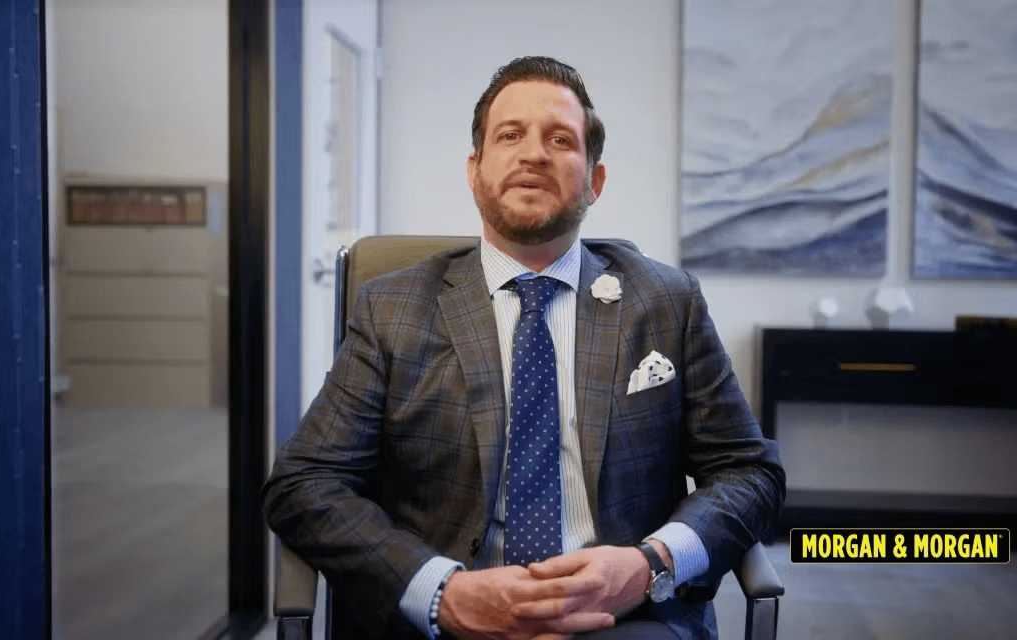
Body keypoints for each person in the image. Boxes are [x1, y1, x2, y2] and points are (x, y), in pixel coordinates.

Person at [262, 56, 785, 640]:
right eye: (510, 135)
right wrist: (441, 592)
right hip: (449, 620)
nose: (534, 154)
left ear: (595, 180)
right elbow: (303, 484)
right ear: (475, 170)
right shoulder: (393, 308)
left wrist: (651, 564)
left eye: (560, 139)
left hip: (623, 617)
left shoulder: (666, 302)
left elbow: (748, 472)